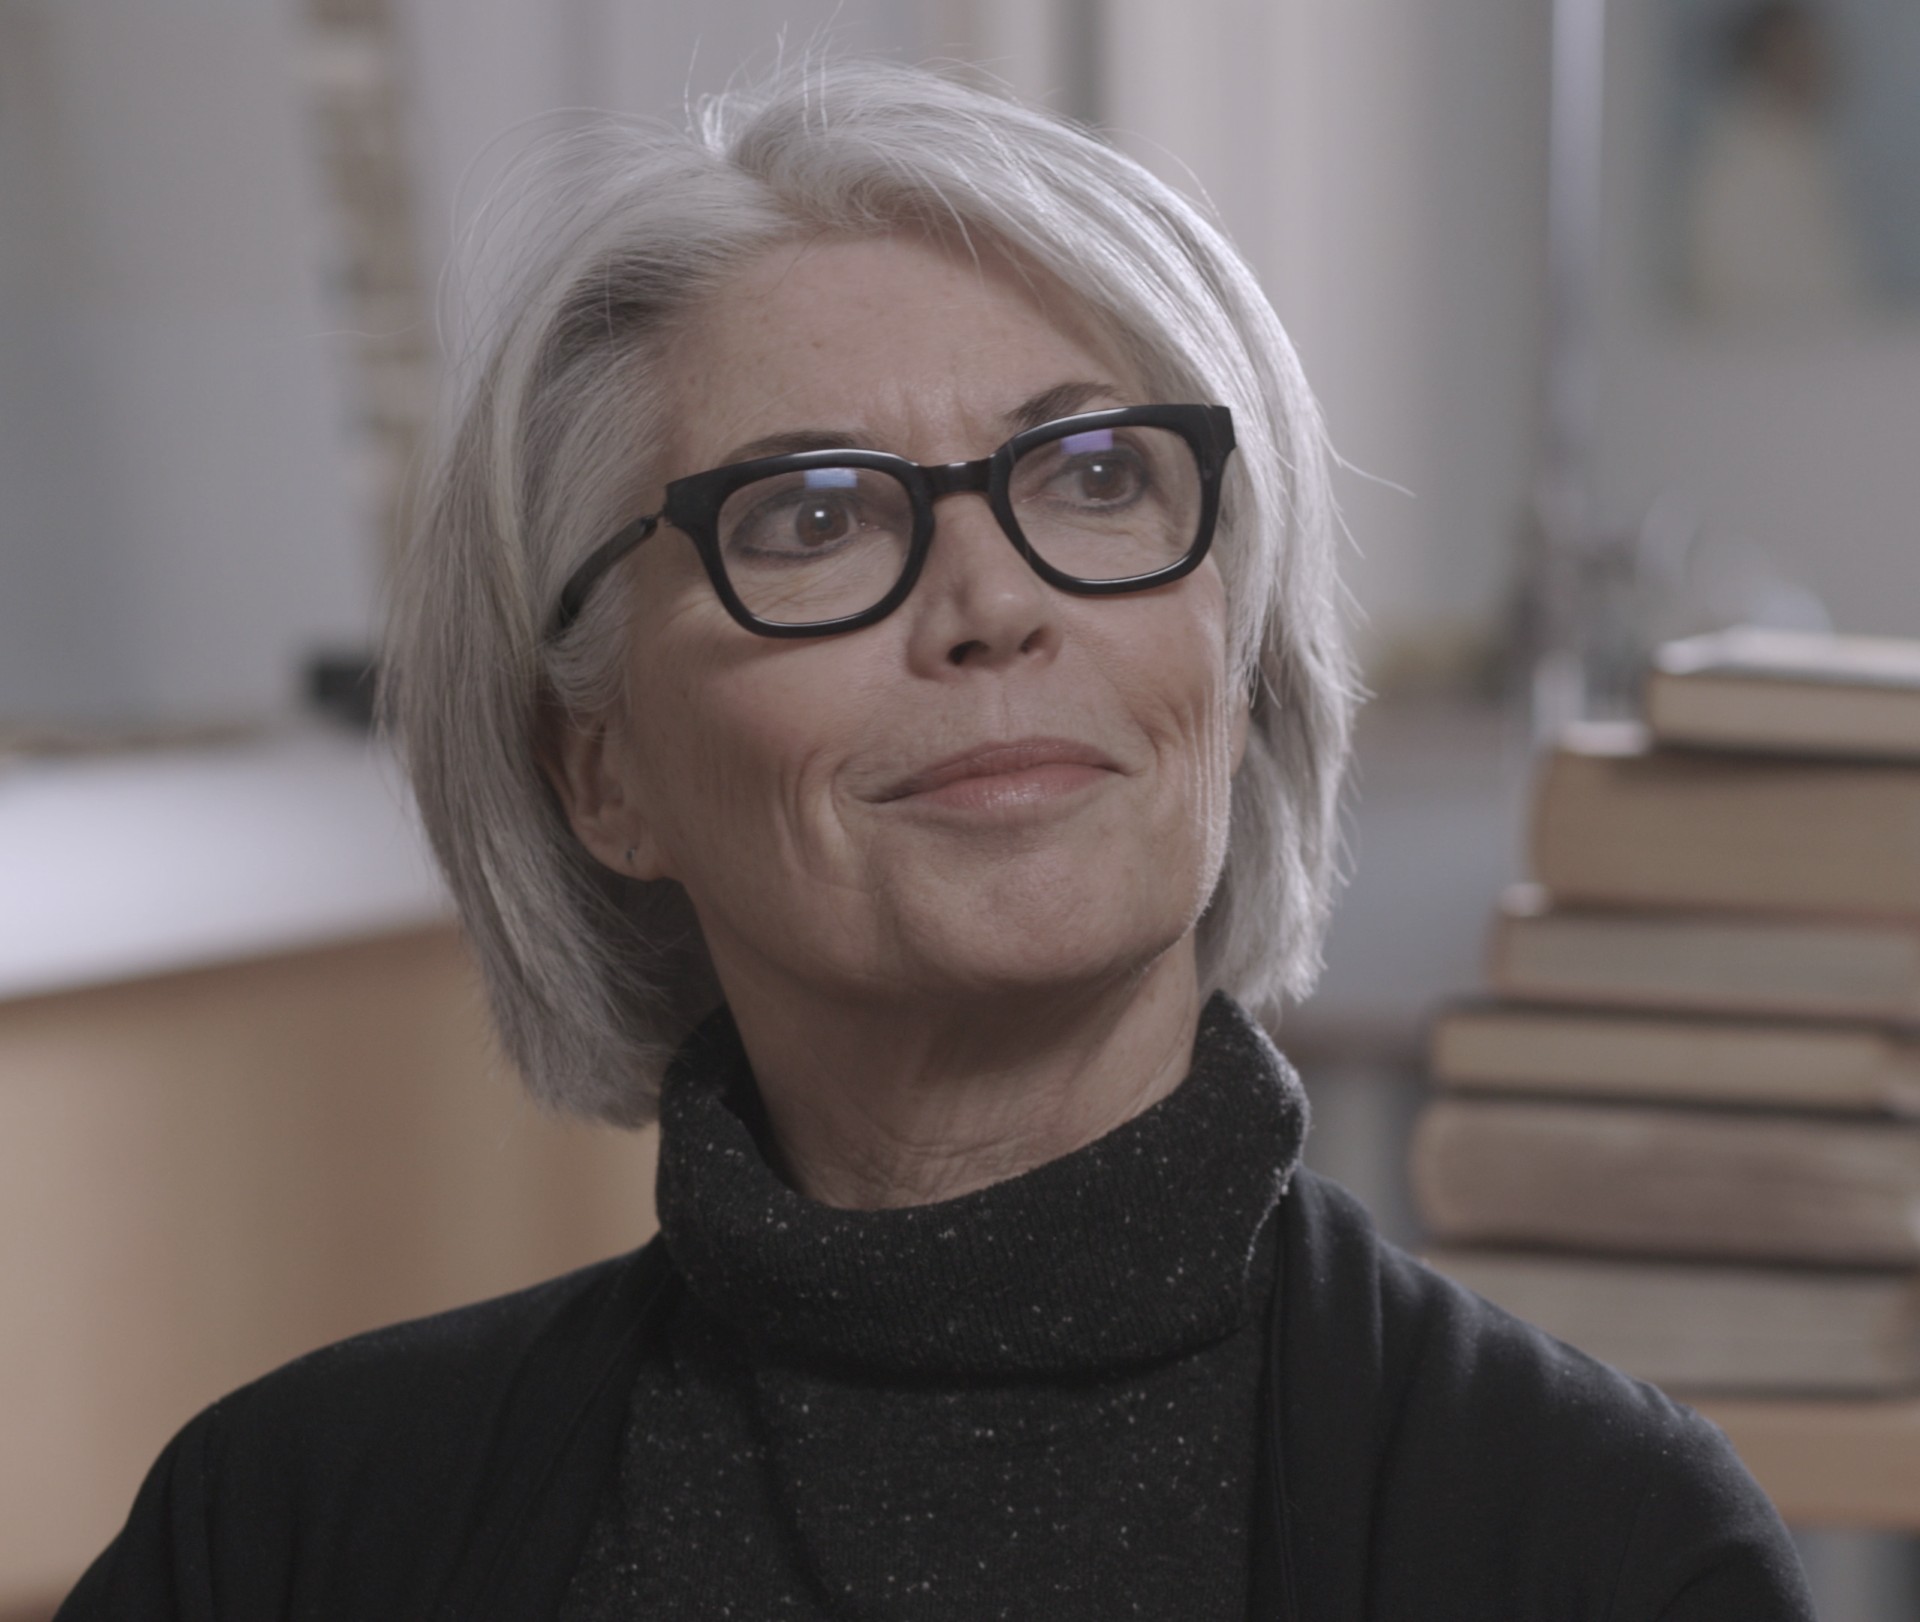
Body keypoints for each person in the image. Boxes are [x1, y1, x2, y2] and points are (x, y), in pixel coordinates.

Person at [58, 58, 1812, 1620]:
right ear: (600, 772)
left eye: (1099, 478)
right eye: (813, 516)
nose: (991, 602)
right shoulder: (290, 1531)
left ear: (1235, 646)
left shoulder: (1600, 1546)